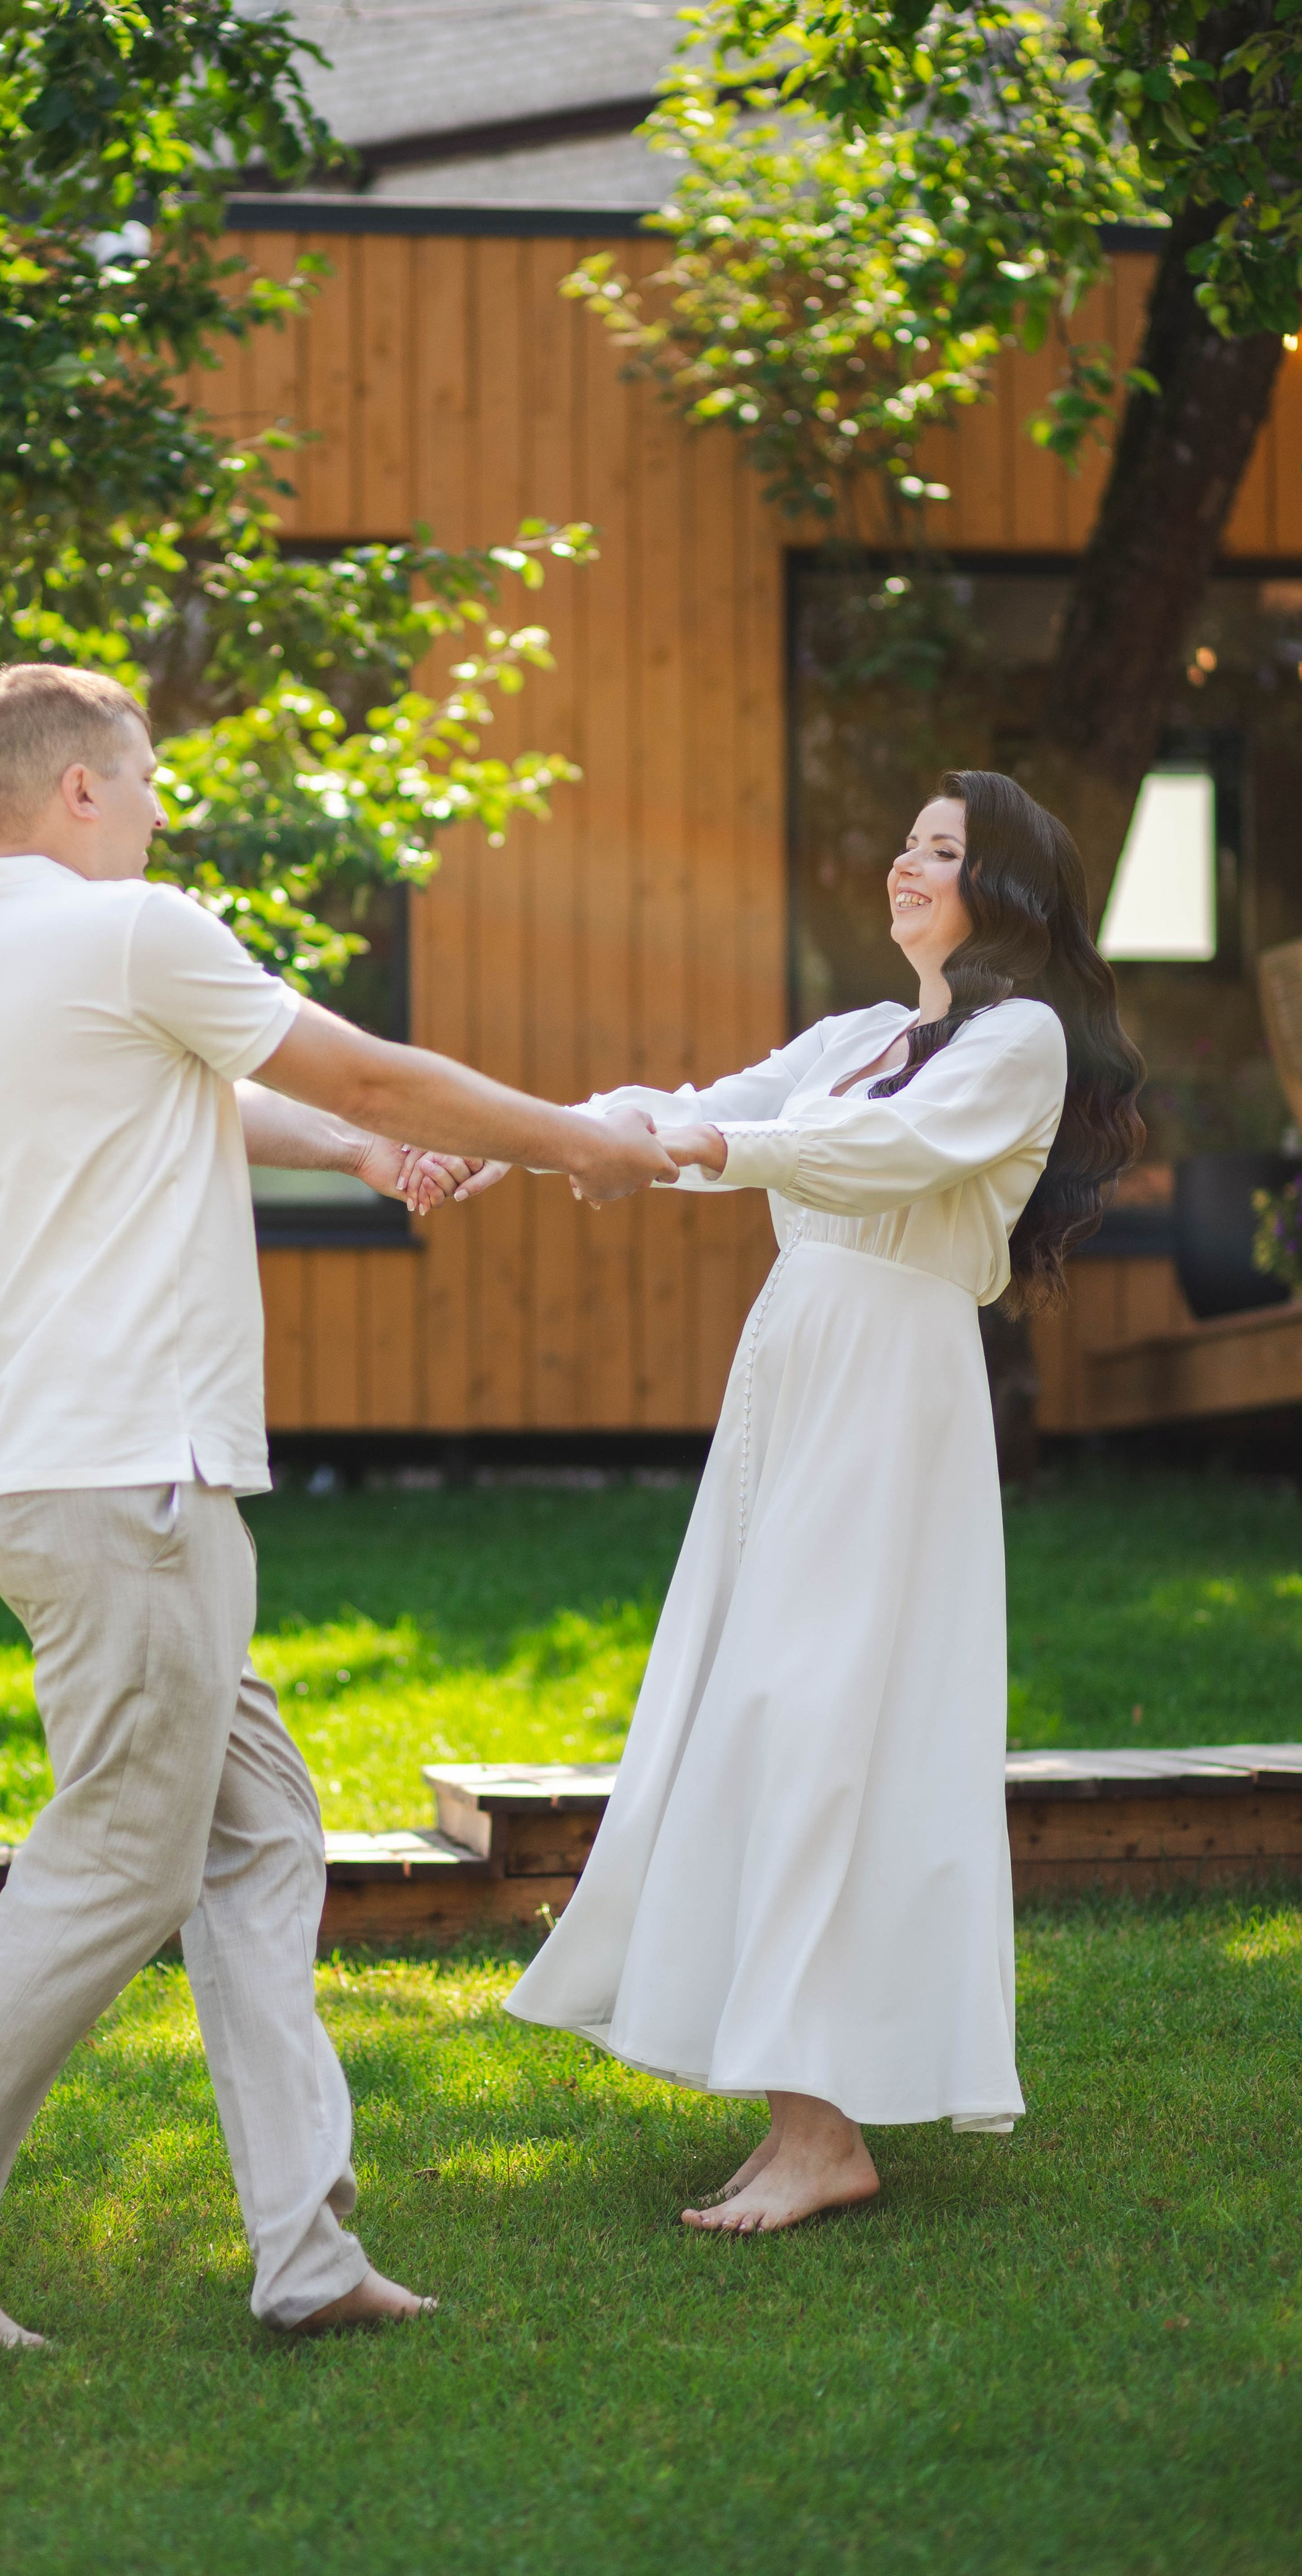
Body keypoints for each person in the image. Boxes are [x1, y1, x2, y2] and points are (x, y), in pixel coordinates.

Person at [0, 662, 675, 2346]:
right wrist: (585, 1142)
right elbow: (365, 1066)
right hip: (127, 1476)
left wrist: (360, 1161)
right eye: (139, 780)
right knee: (120, 1864)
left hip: (62, 1467)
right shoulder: (129, 928)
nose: (156, 807)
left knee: (262, 1833)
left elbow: (207, 1096)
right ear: (75, 789)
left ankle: (302, 2246)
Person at [462, 769, 1144, 2233]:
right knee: (759, 1706)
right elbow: (697, 1105)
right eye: (903, 843)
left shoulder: (1015, 1040)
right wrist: (519, 1136)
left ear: (1004, 890)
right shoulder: (860, 1036)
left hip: (889, 1382)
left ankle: (823, 2129)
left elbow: (884, 1153)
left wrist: (713, 1152)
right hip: (794, 1372)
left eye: (940, 850)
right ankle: (801, 2114)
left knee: (822, 1716)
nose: (904, 866)